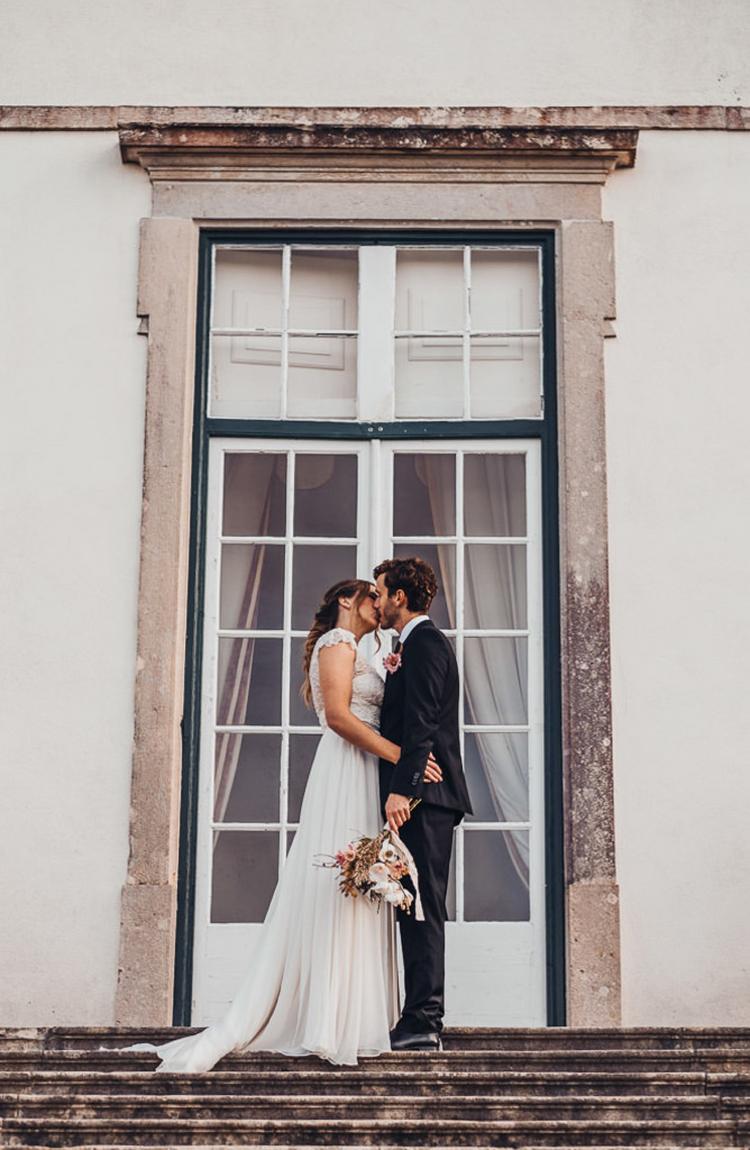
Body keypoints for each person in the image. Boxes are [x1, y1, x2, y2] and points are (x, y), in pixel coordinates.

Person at [124, 577, 443, 1070]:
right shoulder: (337, 644)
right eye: (371, 596)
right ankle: (324, 1018)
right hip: (346, 767)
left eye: (383, 596)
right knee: (338, 884)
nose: (379, 604)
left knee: (365, 885)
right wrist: (403, 757)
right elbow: (338, 716)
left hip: (368, 771)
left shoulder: (363, 646)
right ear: (346, 600)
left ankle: (354, 1017)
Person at [374, 556, 473, 1052]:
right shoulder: (407, 645)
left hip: (426, 800)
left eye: (380, 593)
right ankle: (416, 1015)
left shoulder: (427, 644)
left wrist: (404, 786)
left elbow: (424, 720)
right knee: (410, 907)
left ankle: (424, 1020)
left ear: (400, 597)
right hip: (421, 796)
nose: (376, 601)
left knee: (422, 908)